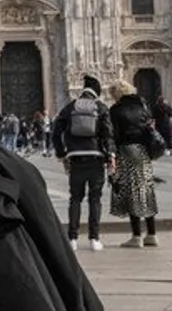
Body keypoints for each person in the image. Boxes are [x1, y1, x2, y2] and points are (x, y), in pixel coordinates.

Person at [53, 74, 114, 252]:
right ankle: (94, 238)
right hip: (96, 158)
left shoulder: (70, 107)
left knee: (75, 198)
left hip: (76, 158)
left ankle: (72, 238)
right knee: (95, 199)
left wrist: (62, 154)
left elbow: (56, 132)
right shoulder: (100, 107)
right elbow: (108, 134)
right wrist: (110, 156)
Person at [108, 80, 159, 248]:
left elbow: (113, 135)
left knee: (131, 192)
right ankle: (151, 234)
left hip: (126, 151)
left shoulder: (116, 110)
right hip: (143, 151)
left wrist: (111, 157)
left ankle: (136, 236)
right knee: (146, 190)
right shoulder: (142, 106)